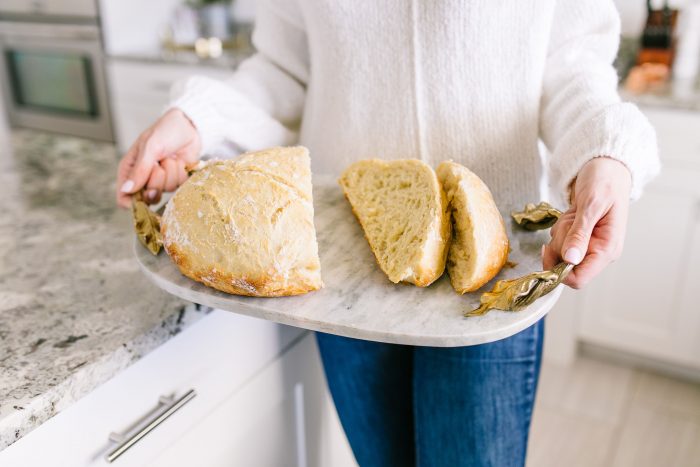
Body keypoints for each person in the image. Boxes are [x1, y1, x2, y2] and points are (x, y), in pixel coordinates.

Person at [116, 1, 660, 465]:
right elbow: (284, 69)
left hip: (491, 277)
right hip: (347, 269)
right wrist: (199, 120)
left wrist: (603, 152)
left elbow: (570, 66)